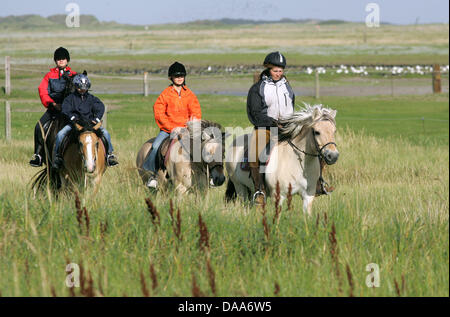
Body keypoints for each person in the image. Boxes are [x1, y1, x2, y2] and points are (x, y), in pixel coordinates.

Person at [143, 61, 202, 189]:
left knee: (204, 146)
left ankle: (206, 176)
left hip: (187, 130)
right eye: (177, 76)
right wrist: (172, 127)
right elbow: (159, 112)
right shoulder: (166, 94)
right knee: (155, 146)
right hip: (169, 130)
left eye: (182, 75)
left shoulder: (189, 94)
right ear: (171, 78)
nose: (180, 78)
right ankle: (153, 175)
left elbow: (196, 112)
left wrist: (192, 126)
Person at [247, 51, 295, 205]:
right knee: (255, 151)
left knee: (312, 142)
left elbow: (291, 106)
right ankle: (259, 190)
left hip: (287, 127)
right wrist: (272, 122)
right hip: (266, 127)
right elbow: (254, 112)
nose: (278, 74)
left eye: (281, 71)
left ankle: (317, 183)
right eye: (275, 70)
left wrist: (290, 123)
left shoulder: (287, 87)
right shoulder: (258, 88)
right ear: (268, 69)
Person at [51, 73, 119, 170]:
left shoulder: (92, 99)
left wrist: (96, 119)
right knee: (60, 135)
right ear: (76, 86)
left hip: (90, 125)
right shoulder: (69, 99)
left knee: (106, 133)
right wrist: (73, 118)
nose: (82, 90)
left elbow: (100, 107)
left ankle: (109, 155)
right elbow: (65, 110)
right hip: (74, 125)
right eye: (80, 87)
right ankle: (58, 157)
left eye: (85, 87)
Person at [30, 47, 77, 167]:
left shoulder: (74, 75)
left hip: (69, 110)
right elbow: (43, 91)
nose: (61, 61)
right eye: (58, 59)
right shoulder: (49, 75)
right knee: (38, 127)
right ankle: (38, 155)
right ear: (55, 61)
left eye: (63, 59)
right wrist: (52, 104)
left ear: (67, 60)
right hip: (53, 109)